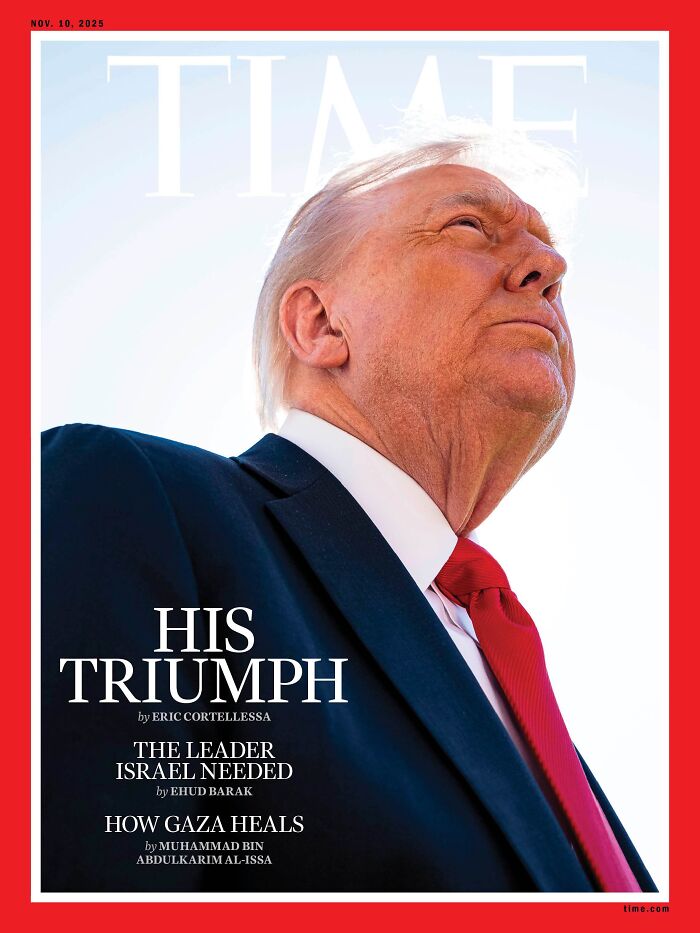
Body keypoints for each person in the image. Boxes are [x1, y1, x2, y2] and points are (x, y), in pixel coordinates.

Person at [41, 134, 657, 894]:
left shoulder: (497, 654)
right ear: (322, 325)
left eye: (553, 268)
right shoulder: (133, 500)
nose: (548, 271)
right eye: (469, 227)